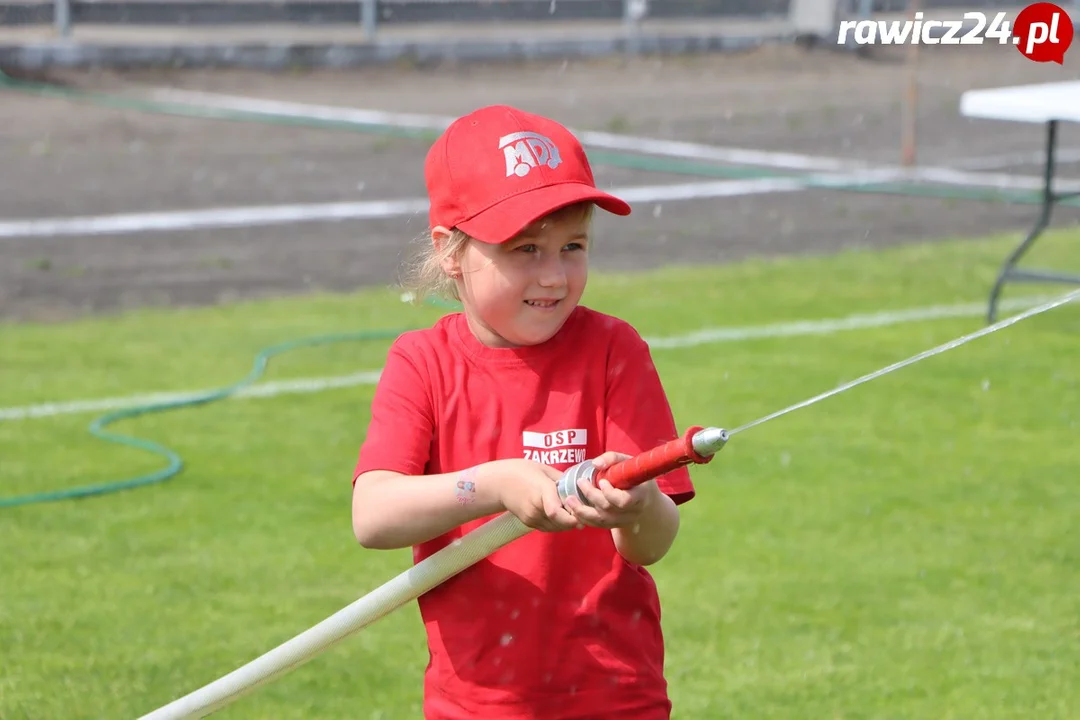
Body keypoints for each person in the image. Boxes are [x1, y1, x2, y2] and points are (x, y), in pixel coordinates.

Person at [351, 104, 697, 720]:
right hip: (477, 703)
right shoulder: (422, 362)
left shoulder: (615, 350)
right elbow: (373, 516)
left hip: (615, 696)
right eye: (525, 249)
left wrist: (640, 506)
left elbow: (649, 545)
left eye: (573, 246)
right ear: (451, 250)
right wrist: (493, 484)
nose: (555, 275)